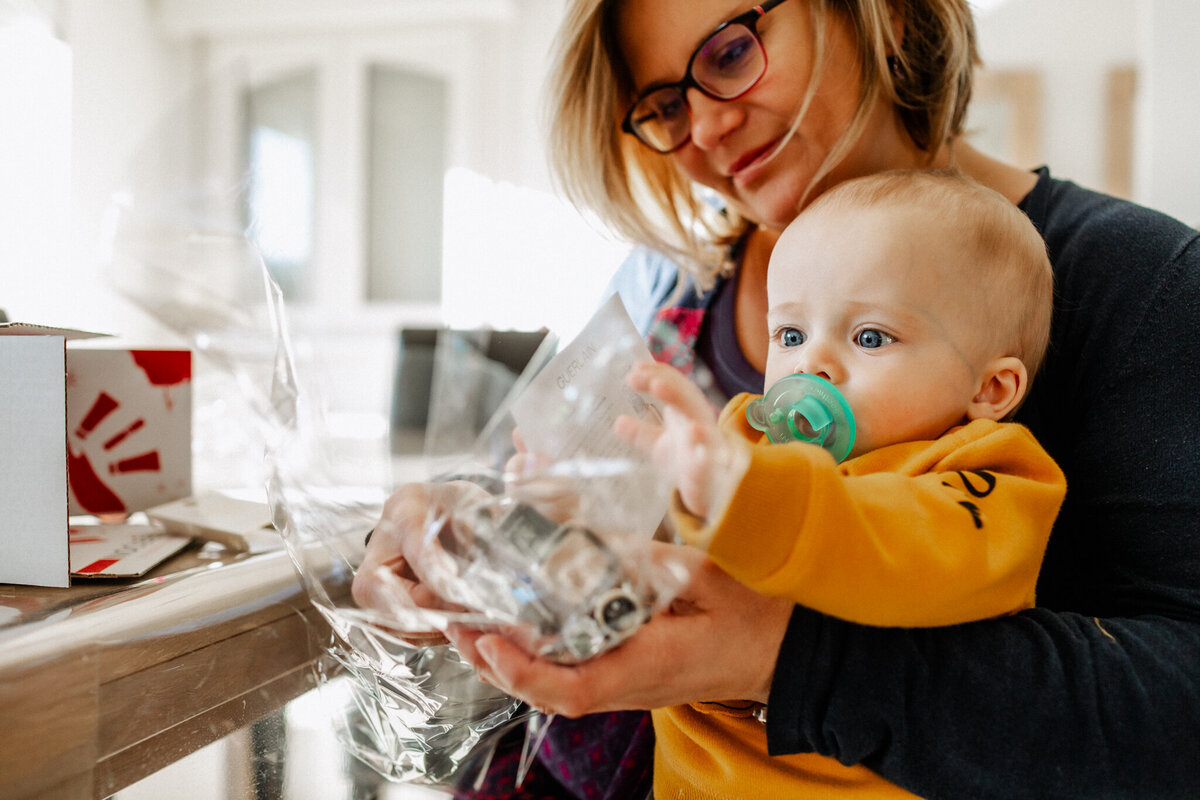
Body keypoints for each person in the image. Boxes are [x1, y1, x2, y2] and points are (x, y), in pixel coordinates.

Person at [354, 0, 1200, 797]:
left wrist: (780, 657)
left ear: (890, 17)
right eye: (664, 108)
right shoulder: (666, 287)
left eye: (729, 52)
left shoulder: (1135, 285)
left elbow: (1178, 712)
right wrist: (463, 523)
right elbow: (558, 488)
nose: (707, 129)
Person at [614, 168, 1065, 796]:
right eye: (791, 334)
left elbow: (897, 549)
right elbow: (660, 543)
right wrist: (580, 498)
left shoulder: (989, 477)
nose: (811, 363)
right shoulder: (744, 440)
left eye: (870, 336)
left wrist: (737, 492)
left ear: (990, 389)